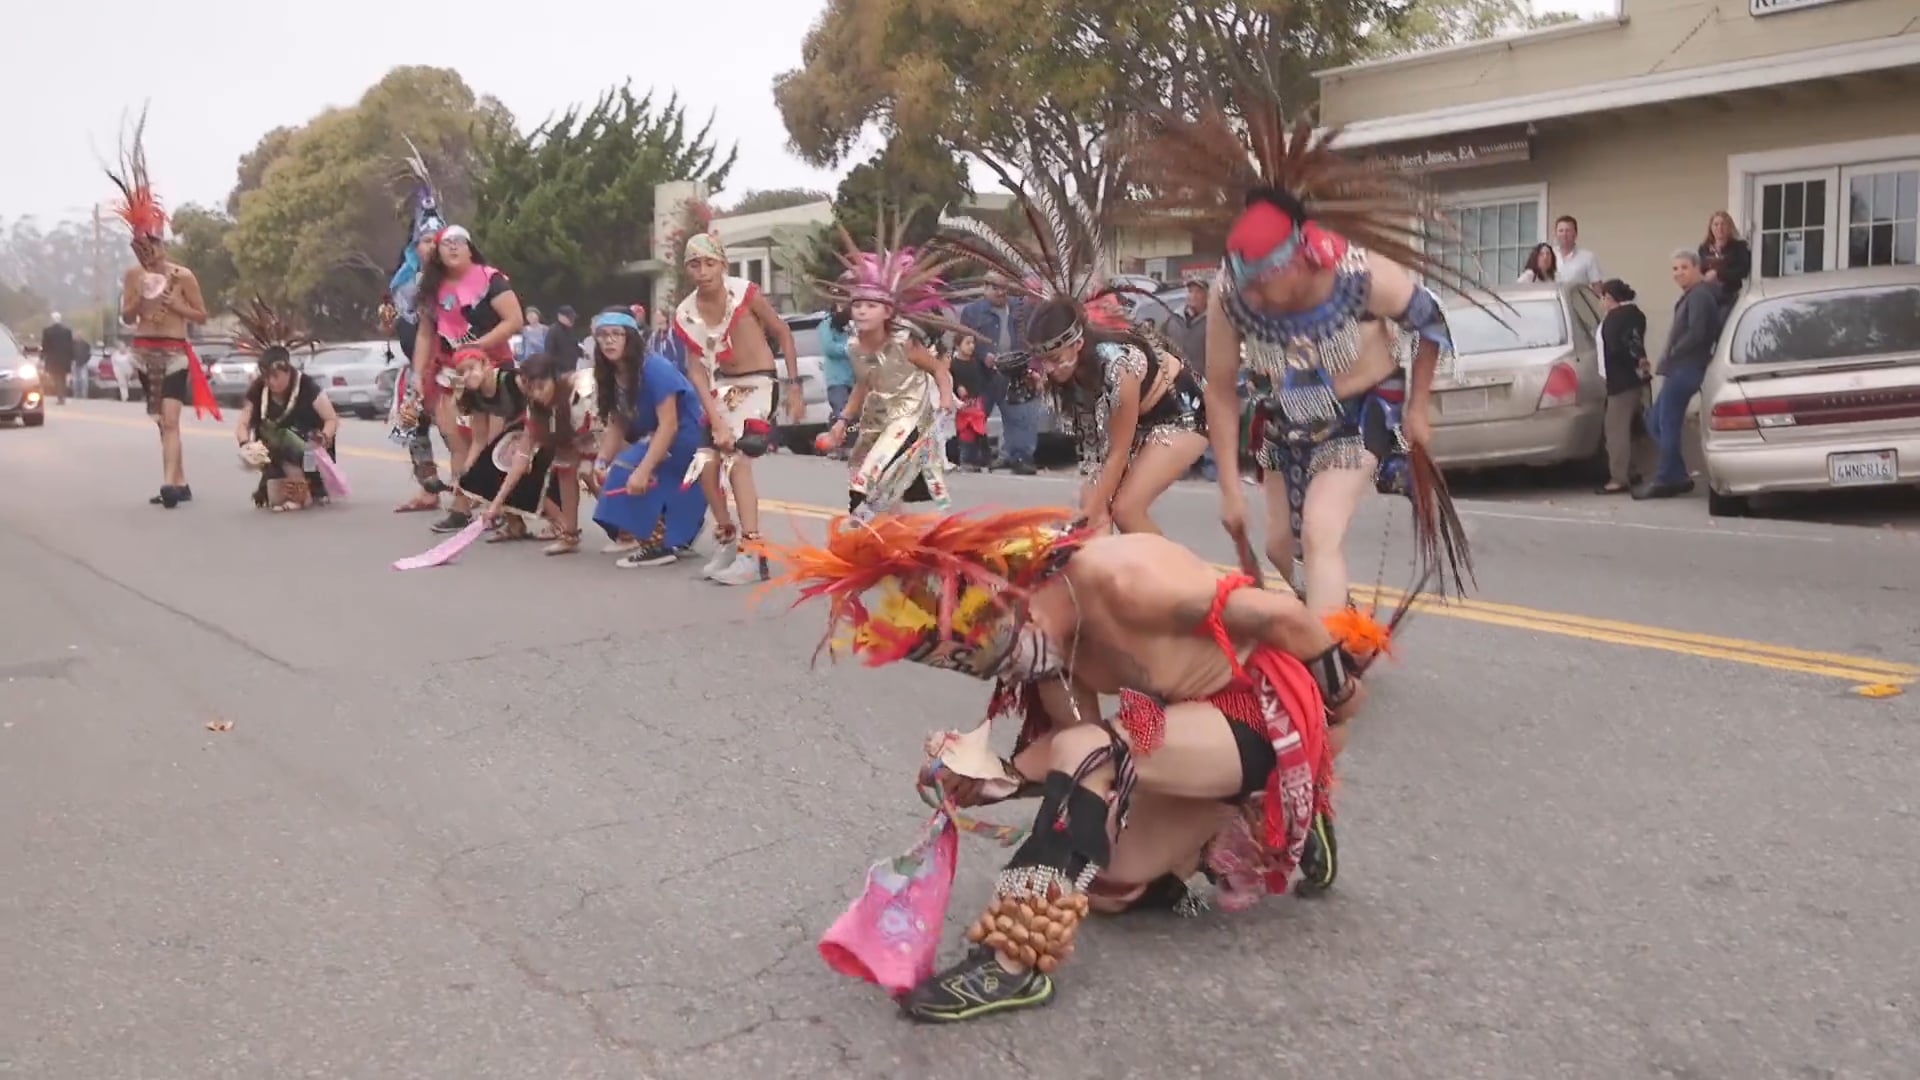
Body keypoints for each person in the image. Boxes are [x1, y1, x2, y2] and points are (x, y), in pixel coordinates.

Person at [747, 507, 1377, 1023]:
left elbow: (1280, 615)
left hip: (1259, 707)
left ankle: (1012, 964)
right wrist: (989, 776)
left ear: (1012, 597)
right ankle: (1234, 820)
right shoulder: (1046, 653)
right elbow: (1079, 767)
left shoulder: (1124, 578)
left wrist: (1341, 697)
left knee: (1091, 754)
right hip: (1178, 724)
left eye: (997, 654)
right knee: (1109, 883)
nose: (1010, 672)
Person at [1129, 77, 1491, 611]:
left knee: (1321, 535)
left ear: (1297, 259)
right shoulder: (1233, 293)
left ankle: (1325, 672)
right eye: (1244, 282)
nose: (1255, 294)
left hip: (1362, 414)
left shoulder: (1362, 273)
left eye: (1263, 283)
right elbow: (1222, 391)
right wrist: (1229, 486)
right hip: (1285, 422)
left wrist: (1417, 407)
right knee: (1280, 547)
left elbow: (1430, 321)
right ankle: (1331, 622)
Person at [935, 166, 1206, 534]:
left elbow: (1117, 451)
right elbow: (1092, 451)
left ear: (1078, 343)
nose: (1049, 368)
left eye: (1055, 358)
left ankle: (1184, 588)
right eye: (1042, 360)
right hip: (1139, 420)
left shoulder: (1118, 368)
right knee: (1090, 502)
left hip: (1180, 413)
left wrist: (1094, 511)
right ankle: (1114, 579)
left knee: (1124, 509)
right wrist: (1090, 510)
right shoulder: (1063, 372)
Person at [106, 108, 220, 509]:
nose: (148, 255)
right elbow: (126, 316)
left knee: (171, 419)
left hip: (173, 352)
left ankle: (169, 484)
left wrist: (176, 305)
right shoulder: (132, 275)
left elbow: (202, 316)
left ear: (162, 245)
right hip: (143, 350)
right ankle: (180, 479)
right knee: (161, 421)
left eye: (152, 247)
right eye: (141, 250)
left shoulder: (182, 275)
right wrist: (141, 297)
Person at [673, 232, 801, 586]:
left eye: (709, 263)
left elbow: (783, 332)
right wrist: (716, 420)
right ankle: (728, 540)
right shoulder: (685, 313)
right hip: (724, 390)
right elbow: (696, 370)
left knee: (737, 463)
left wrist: (793, 387)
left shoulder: (744, 293)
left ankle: (753, 552)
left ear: (722, 264)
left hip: (759, 383)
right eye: (694, 264)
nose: (703, 271)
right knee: (704, 465)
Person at [812, 228, 959, 519]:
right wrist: (842, 421)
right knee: (866, 487)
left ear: (888, 312)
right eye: (857, 305)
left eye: (871, 305)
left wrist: (944, 399)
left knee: (870, 484)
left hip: (909, 419)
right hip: (876, 419)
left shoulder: (906, 342)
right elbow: (863, 385)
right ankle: (893, 544)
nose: (862, 311)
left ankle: (884, 543)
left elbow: (938, 369)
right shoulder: (854, 346)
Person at [410, 224, 527, 534]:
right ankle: (461, 507)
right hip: (449, 371)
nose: (452, 248)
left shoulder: (491, 279)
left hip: (491, 368)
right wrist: (417, 373)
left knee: (495, 442)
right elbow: (425, 333)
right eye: (446, 243)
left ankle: (502, 509)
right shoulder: (431, 288)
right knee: (456, 441)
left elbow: (514, 319)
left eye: (459, 242)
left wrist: (478, 346)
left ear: (470, 247)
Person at [589, 309, 709, 567]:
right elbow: (618, 422)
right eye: (602, 335)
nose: (609, 340)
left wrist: (644, 469)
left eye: (616, 334)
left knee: (628, 470)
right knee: (613, 472)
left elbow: (669, 424)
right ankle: (658, 535)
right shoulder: (611, 372)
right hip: (661, 434)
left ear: (630, 338)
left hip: (687, 436)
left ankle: (655, 546)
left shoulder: (654, 368)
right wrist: (600, 461)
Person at [380, 143, 452, 514]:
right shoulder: (402, 279)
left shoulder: (454, 279)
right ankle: (428, 488)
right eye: (424, 240)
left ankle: (470, 492)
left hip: (448, 366)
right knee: (410, 426)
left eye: (436, 241)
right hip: (413, 367)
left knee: (454, 430)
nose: (429, 247)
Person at [229, 300, 337, 512]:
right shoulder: (259, 389)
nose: (271, 382)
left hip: (308, 446)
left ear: (288, 371)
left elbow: (332, 419)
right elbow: (242, 423)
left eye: (275, 377)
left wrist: (323, 438)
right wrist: (246, 445)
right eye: (266, 377)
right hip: (274, 448)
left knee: (290, 438)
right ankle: (284, 485)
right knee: (275, 493)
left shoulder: (306, 386)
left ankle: (308, 488)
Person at [1636, 249, 1725, 501]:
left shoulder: (1699, 296)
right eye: (1675, 268)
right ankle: (1677, 474)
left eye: (1684, 267)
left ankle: (1666, 478)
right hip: (1678, 367)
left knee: (1668, 424)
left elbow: (1698, 333)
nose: (1678, 273)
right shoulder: (1691, 296)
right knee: (1654, 421)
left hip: (1686, 367)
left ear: (1697, 268)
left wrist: (1675, 351)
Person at [1596, 279, 1652, 495]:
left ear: (1610, 298)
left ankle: (1619, 478)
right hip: (1635, 378)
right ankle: (1631, 470)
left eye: (1603, 297)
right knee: (1631, 427)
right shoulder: (1636, 314)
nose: (1601, 301)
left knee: (1615, 430)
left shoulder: (1614, 319)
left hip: (1620, 380)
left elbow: (1617, 348)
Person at [38, 313, 74, 405]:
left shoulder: (47, 331)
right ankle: (62, 396)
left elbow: (45, 345)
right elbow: (70, 346)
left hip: (53, 359)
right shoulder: (67, 331)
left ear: (52, 319)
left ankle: (60, 396)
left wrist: (41, 357)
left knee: (56, 377)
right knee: (63, 378)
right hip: (64, 359)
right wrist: (72, 358)